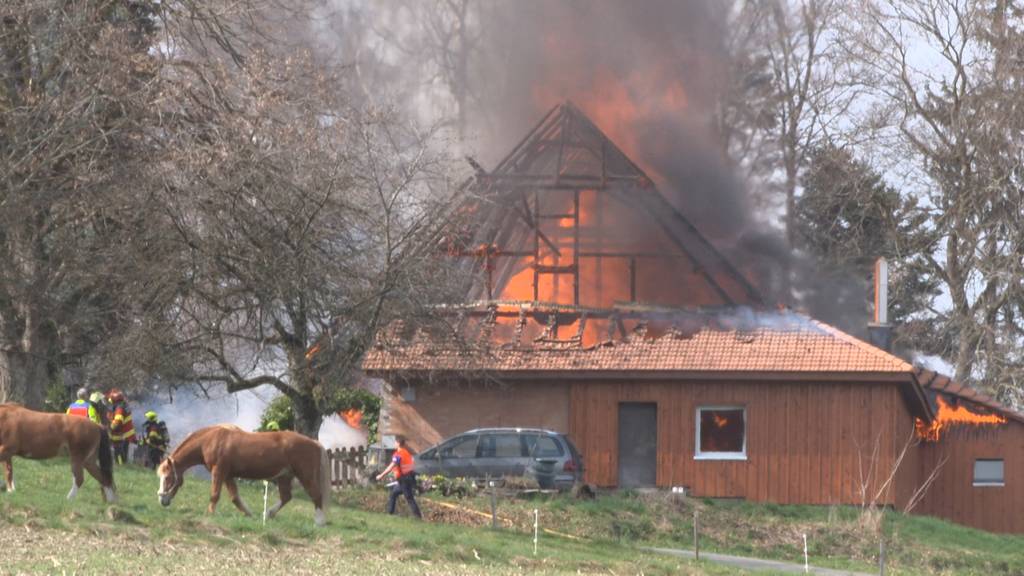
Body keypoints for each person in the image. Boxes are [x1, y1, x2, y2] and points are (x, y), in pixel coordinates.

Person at [376, 435, 422, 519]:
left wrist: (381, 475)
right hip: (408, 478)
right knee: (394, 493)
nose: (394, 443)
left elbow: (391, 466)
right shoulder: (406, 452)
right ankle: (390, 513)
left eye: (395, 442)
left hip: (404, 480)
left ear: (398, 443)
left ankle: (418, 517)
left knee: (409, 498)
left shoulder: (398, 454)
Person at [106, 389, 136, 465]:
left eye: (111, 399)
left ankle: (121, 465)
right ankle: (122, 465)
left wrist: (110, 427)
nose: (110, 401)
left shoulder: (119, 408)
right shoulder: (122, 405)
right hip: (125, 434)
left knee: (118, 451)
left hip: (121, 434)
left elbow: (117, 422)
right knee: (121, 452)